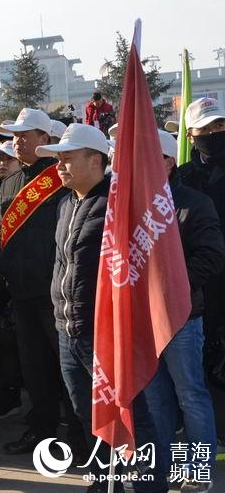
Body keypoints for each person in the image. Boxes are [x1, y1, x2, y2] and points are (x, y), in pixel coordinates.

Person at [35, 124, 119, 492]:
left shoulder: (116, 204)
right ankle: (101, 479)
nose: (60, 167)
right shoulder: (66, 203)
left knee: (119, 415)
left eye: (67, 159)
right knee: (85, 412)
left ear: (96, 160)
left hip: (103, 331)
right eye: (58, 160)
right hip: (67, 329)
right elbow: (61, 262)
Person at [0, 109, 82, 456]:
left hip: (54, 293)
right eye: (15, 136)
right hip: (20, 292)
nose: (18, 141)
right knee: (34, 371)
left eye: (26, 135)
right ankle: (41, 432)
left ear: (46, 140)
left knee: (67, 372)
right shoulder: (9, 182)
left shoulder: (60, 179)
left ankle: (78, 438)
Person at [143, 129, 223, 493]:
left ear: (168, 161)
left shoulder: (193, 202)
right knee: (155, 395)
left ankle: (198, 469)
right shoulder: (127, 204)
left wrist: (170, 287)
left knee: (190, 393)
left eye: (148, 158)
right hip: (142, 318)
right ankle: (164, 466)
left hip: (182, 316)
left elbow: (211, 256)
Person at [177, 97, 225, 446]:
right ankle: (215, 433)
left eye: (219, 126)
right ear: (191, 136)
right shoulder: (182, 179)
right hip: (198, 284)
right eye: (205, 129)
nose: (214, 133)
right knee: (205, 361)